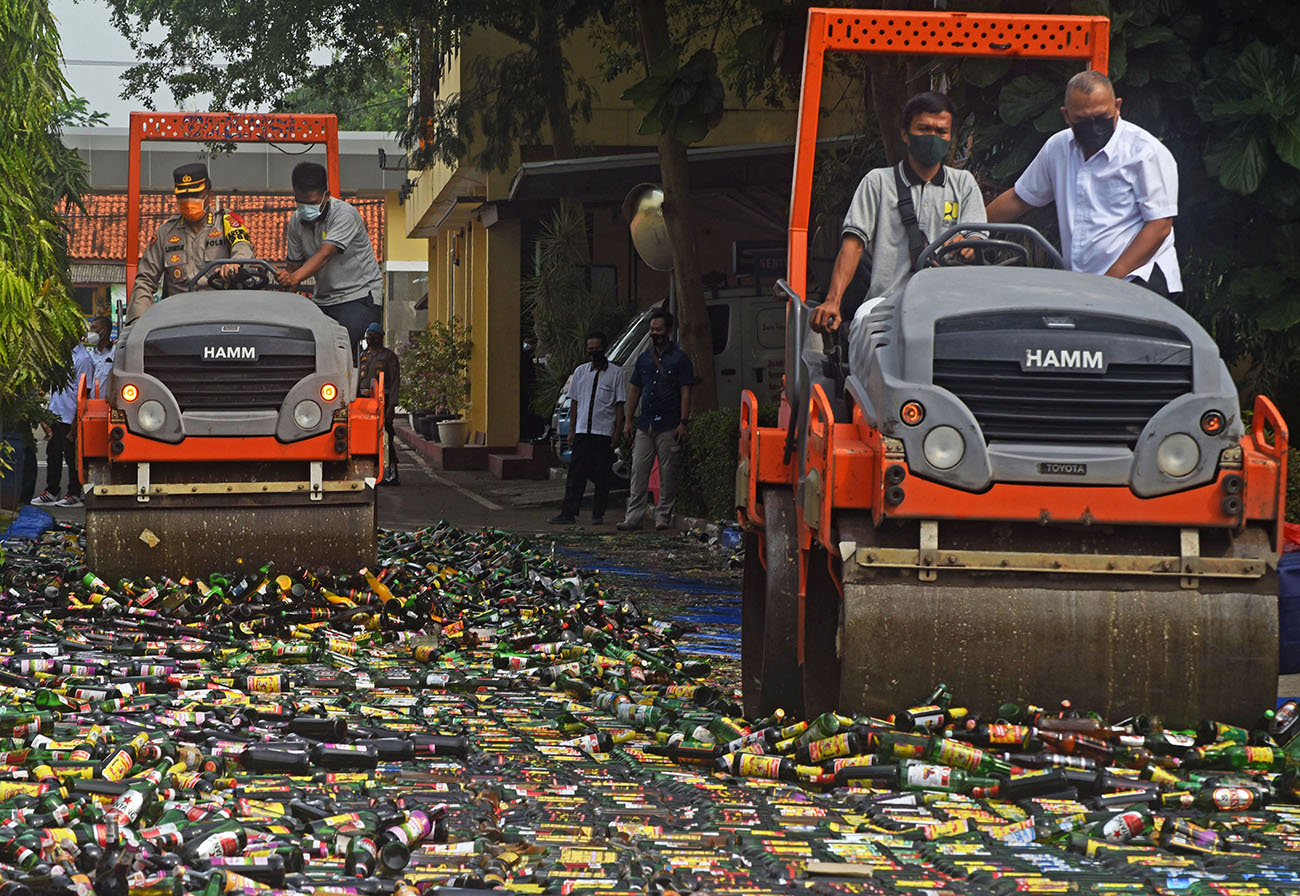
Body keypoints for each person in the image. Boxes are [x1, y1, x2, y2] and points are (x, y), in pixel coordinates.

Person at [986, 70, 1181, 298]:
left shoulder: (1145, 152)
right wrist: (970, 230)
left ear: (1117, 106)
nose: (1095, 128)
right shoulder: (1058, 148)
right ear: (1066, 115)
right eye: (1082, 120)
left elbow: (1159, 226)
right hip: (1086, 286)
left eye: (1101, 117)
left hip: (1138, 279)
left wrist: (1111, 280)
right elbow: (1020, 198)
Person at [811, 91, 987, 337]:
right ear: (905, 134)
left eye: (941, 131)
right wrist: (833, 300)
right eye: (924, 129)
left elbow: (976, 236)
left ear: (950, 137)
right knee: (863, 327)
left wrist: (969, 243)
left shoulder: (964, 183)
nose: (933, 137)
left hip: (950, 306)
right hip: (886, 305)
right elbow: (853, 245)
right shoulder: (878, 182)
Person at [278, 162, 383, 354]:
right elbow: (293, 267)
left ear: (326, 196)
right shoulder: (296, 222)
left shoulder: (344, 215)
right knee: (303, 347)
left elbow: (324, 255)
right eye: (300, 202)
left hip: (358, 297)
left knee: (341, 349)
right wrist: (284, 290)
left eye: (311, 203)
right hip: (323, 300)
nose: (305, 208)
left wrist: (294, 277)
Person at [127, 163, 254, 321]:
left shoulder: (226, 222)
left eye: (195, 195)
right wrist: (138, 322)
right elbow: (145, 280)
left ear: (210, 195)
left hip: (221, 316)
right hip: (178, 320)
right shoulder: (165, 233)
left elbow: (242, 246)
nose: (188, 202)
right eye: (183, 197)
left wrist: (235, 263)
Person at [618, 309, 693, 532]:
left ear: (669, 331)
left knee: (668, 473)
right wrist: (628, 421)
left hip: (669, 424)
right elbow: (634, 390)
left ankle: (663, 516)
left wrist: (683, 421)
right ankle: (634, 517)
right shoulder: (643, 359)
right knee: (638, 471)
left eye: (659, 330)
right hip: (645, 424)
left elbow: (686, 391)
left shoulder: (680, 359)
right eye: (652, 330)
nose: (655, 333)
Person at [550, 331, 626, 526]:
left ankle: (597, 514)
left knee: (602, 475)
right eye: (590, 349)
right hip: (583, 431)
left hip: (603, 432)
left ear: (604, 349)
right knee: (576, 474)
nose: (593, 353)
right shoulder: (580, 372)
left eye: (597, 349)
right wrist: (572, 430)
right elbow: (574, 402)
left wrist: (617, 432)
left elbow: (619, 405)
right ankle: (568, 513)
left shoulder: (616, 373)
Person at [30, 328, 96, 507]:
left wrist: (76, 421)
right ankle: (52, 490)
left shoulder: (82, 358)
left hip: (71, 415)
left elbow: (84, 392)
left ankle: (74, 492)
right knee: (53, 454)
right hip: (56, 414)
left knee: (72, 456)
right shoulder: (62, 357)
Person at [358, 321, 401, 486]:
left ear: (380, 338)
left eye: (373, 336)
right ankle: (373, 471)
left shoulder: (389, 357)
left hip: (384, 402)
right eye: (368, 336)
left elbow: (395, 382)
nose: (369, 339)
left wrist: (392, 406)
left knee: (386, 436)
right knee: (367, 438)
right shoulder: (363, 355)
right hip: (364, 402)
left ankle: (392, 472)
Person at [86, 315, 114, 399]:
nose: (90, 332)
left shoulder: (115, 354)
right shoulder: (89, 356)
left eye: (93, 328)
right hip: (91, 406)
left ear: (104, 331)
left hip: (109, 407)